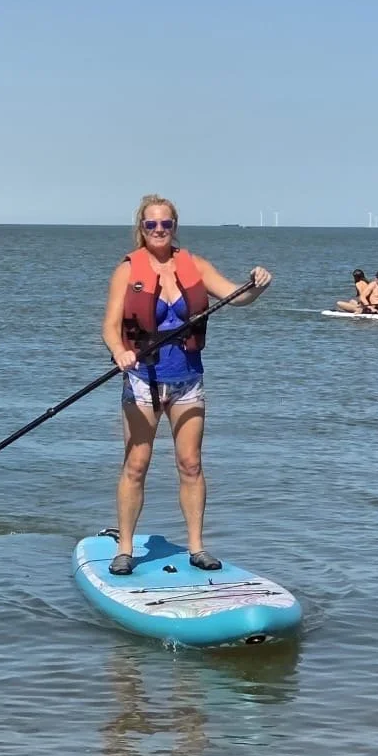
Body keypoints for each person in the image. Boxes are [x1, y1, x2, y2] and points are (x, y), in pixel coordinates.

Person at [101, 196, 271, 577]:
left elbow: (237, 296)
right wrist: (119, 352)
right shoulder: (127, 271)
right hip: (142, 379)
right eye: (151, 225)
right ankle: (125, 550)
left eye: (166, 224)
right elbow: (111, 326)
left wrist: (257, 285)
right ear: (141, 229)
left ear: (174, 226)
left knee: (190, 464)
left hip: (187, 379)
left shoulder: (194, 265)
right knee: (136, 465)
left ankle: (197, 547)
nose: (159, 231)